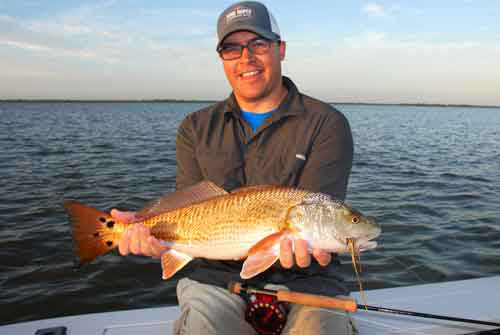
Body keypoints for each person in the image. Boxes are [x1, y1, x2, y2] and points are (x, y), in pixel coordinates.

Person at [113, 1, 354, 334]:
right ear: (222, 58)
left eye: (258, 43)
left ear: (280, 49)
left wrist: (324, 242)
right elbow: (187, 206)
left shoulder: (326, 124)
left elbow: (320, 213)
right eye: (232, 48)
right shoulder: (195, 127)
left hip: (311, 281)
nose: (246, 58)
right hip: (213, 277)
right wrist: (146, 231)